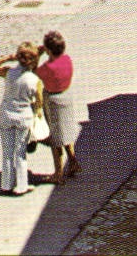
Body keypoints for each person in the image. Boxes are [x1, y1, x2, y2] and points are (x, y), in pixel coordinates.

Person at [0, 43, 44, 195]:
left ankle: (6, 184)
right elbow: (39, 103)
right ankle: (21, 186)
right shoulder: (35, 80)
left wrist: (8, 57)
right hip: (23, 116)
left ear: (18, 57)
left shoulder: (8, 72)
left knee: (7, 152)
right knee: (20, 153)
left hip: (6, 114)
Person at [37, 31, 80, 184]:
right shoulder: (67, 60)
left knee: (55, 138)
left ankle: (58, 173)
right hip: (66, 96)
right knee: (66, 132)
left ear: (48, 50)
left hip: (53, 100)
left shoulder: (48, 67)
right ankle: (73, 161)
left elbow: (35, 72)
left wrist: (38, 54)